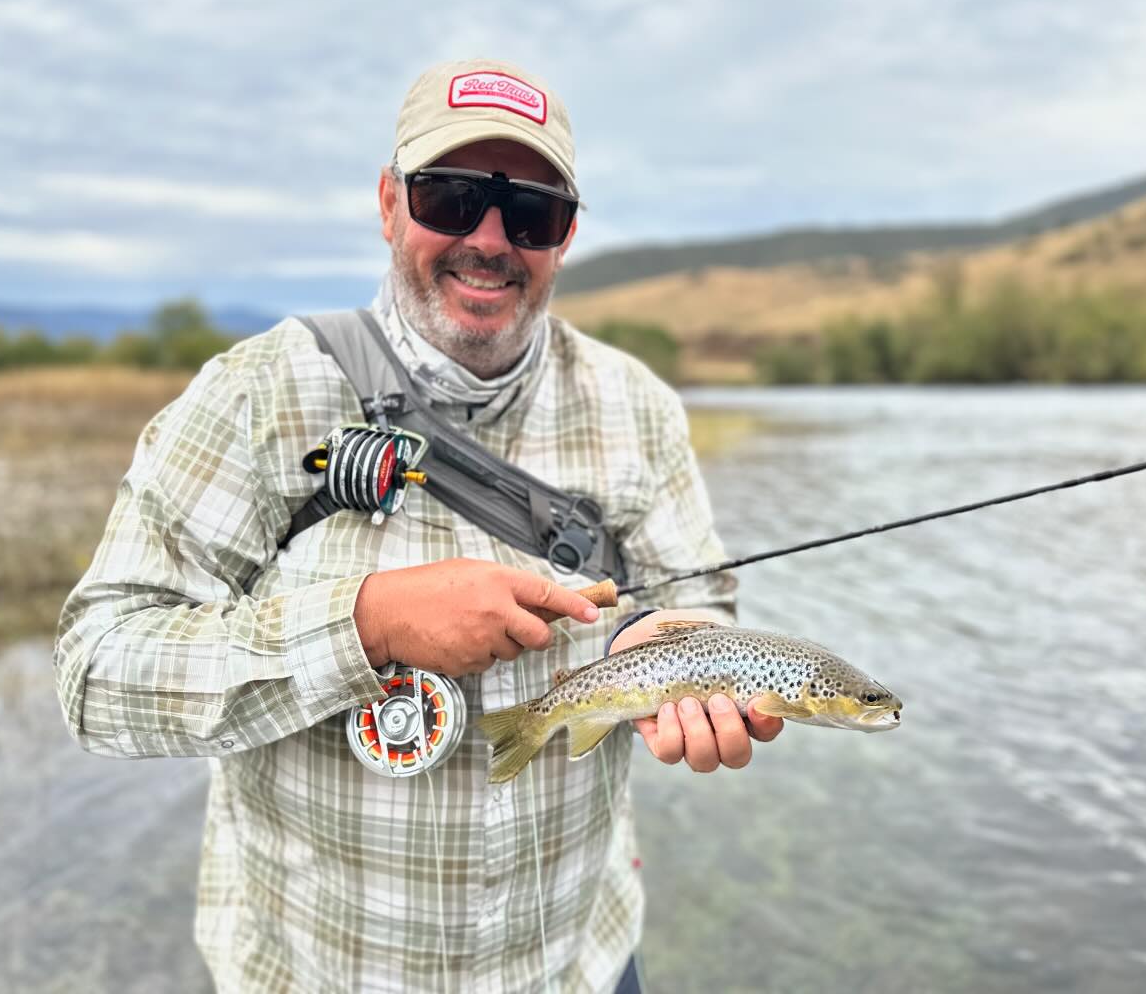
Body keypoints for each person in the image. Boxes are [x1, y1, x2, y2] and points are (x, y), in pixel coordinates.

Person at [56, 58, 784, 994]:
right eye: (450, 196)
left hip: (577, 966)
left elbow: (698, 600)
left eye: (531, 212)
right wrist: (365, 622)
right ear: (390, 202)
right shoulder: (257, 393)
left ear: (565, 237)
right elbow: (96, 673)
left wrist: (675, 646)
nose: (489, 239)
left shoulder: (638, 406)